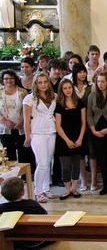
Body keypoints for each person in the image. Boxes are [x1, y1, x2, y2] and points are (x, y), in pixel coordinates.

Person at [23, 72, 57, 203]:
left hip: (51, 131)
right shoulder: (29, 98)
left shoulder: (53, 96)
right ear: (36, 84)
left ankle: (46, 188)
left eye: (45, 82)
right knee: (41, 163)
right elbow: (26, 120)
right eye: (40, 82)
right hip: (37, 133)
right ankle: (37, 191)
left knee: (49, 162)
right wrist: (27, 136)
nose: (43, 85)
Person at [54, 79, 86, 200]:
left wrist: (80, 138)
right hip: (64, 139)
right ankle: (67, 189)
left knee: (76, 165)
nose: (68, 90)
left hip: (78, 137)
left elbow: (83, 123)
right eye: (65, 88)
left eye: (69, 87)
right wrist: (67, 140)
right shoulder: (59, 105)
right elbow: (58, 125)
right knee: (66, 166)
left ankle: (74, 188)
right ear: (62, 90)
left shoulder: (80, 103)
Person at [87, 72, 107, 195]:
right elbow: (89, 114)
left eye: (103, 81)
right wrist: (93, 129)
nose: (100, 84)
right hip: (96, 130)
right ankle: (105, 184)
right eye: (98, 81)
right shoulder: (92, 96)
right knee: (102, 159)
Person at [0, 177, 50, 250]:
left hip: (10, 240)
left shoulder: (1, 208)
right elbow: (44, 216)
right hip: (34, 241)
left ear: (2, 194)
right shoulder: (32, 204)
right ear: (23, 192)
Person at [0, 70, 28, 163]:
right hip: (5, 128)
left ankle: (24, 176)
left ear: (15, 79)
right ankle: (11, 176)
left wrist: (22, 120)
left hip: (21, 127)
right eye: (6, 78)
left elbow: (27, 108)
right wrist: (4, 121)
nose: (9, 80)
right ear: (3, 80)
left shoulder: (22, 92)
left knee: (23, 153)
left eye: (11, 78)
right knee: (9, 154)